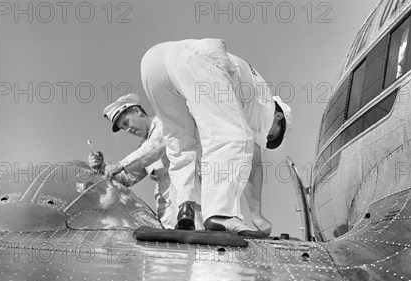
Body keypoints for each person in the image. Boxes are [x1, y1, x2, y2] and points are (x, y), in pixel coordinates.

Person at [140, 38, 291, 237]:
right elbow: (253, 160)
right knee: (236, 136)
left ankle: (185, 208)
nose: (266, 138)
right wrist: (257, 215)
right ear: (279, 117)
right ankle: (222, 213)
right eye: (272, 134)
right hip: (199, 58)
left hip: (153, 62)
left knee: (180, 141)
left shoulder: (244, 89)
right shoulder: (266, 106)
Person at [88, 93, 202, 229]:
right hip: (168, 211)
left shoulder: (164, 122)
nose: (128, 129)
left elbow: (155, 146)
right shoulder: (142, 149)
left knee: (202, 240)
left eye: (126, 123)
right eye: (124, 128)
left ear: (137, 111)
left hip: (192, 198)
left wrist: (119, 165)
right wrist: (101, 168)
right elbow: (126, 178)